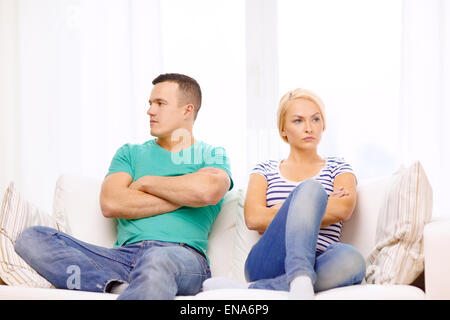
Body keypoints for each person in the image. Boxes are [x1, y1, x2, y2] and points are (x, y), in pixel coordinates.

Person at [14, 73, 233, 300]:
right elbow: (111, 203)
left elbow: (208, 191)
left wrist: (147, 182)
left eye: (160, 104)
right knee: (32, 238)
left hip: (181, 257)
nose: (150, 111)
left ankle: (136, 284)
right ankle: (116, 287)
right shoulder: (130, 153)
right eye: (150, 103)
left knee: (156, 260)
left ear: (187, 110)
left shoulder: (211, 154)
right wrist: (185, 195)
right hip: (122, 258)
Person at [202, 88, 365, 299]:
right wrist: (301, 205)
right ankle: (299, 278)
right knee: (311, 189)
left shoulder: (338, 166)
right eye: (298, 121)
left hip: (320, 260)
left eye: (315, 119)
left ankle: (277, 285)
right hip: (268, 261)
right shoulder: (265, 170)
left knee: (353, 260)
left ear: (323, 125)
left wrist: (283, 210)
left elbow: (343, 208)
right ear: (283, 130)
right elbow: (253, 218)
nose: (309, 128)